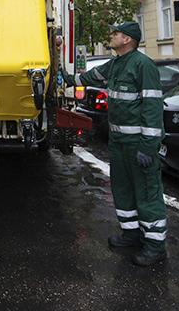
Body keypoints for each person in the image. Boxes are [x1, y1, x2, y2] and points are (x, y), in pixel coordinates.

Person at [62, 22, 167, 266]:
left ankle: (155, 246)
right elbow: (88, 76)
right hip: (118, 142)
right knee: (122, 188)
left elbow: (152, 109)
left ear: (128, 40)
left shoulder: (143, 65)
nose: (111, 36)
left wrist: (148, 147)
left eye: (116, 33)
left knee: (147, 192)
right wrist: (66, 78)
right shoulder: (116, 64)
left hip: (137, 144)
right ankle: (131, 234)